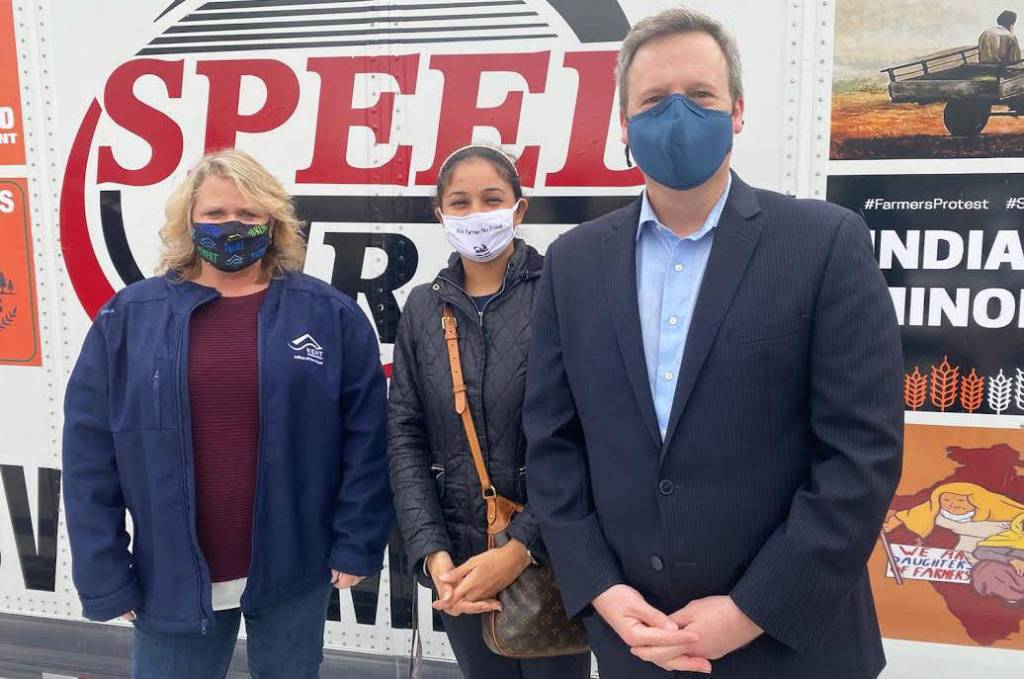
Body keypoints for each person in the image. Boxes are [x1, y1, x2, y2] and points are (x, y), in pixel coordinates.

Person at [524, 7, 903, 679]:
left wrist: (751, 609)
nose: (677, 116)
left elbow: (861, 455)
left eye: (699, 96)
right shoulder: (573, 264)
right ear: (623, 124)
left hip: (794, 646)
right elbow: (553, 446)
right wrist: (603, 591)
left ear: (737, 111)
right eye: (652, 100)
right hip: (638, 644)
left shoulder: (823, 244)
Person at [62, 149, 392, 679]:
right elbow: (89, 455)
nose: (231, 226)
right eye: (215, 214)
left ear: (274, 222)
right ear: (188, 222)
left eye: (248, 214)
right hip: (170, 574)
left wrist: (356, 542)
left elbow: (367, 439)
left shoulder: (328, 314)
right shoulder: (129, 317)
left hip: (296, 569)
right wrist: (104, 570)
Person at [387, 144, 591, 679]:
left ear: (519, 209)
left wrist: (522, 548)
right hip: (460, 564)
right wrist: (432, 552)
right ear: (440, 215)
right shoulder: (422, 308)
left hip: (553, 556)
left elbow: (590, 435)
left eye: (491, 199)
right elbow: (405, 433)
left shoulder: (563, 293)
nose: (476, 213)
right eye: (460, 202)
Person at [883, 482, 1024, 561]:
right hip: (963, 560)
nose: (953, 504)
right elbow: (909, 514)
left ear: (976, 501)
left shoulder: (999, 515)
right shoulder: (939, 514)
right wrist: (891, 523)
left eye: (961, 500)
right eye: (946, 500)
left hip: (1005, 556)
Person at [972, 513, 1024, 606]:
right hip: (1011, 573)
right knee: (987, 567)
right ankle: (1012, 597)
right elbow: (980, 552)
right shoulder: (1010, 537)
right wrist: (1011, 560)